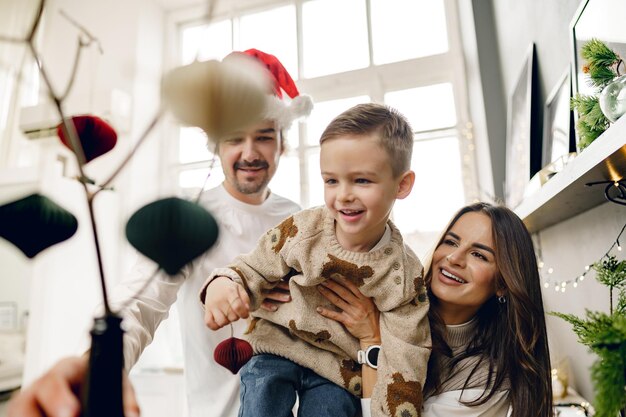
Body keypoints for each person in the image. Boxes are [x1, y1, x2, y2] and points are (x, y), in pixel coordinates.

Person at [7, 48, 312, 417]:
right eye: (234, 138)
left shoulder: (298, 220)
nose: (249, 152)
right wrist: (99, 365)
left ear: (283, 142)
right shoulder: (191, 216)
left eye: (264, 136)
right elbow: (141, 302)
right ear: (215, 144)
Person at [201, 103, 431, 417]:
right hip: (276, 345)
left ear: (401, 184)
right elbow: (252, 266)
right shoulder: (302, 230)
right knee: (262, 398)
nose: (343, 195)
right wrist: (224, 282)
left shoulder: (403, 274)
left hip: (338, 368)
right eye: (331, 181)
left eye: (361, 181)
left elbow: (407, 356)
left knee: (333, 411)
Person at [316, 202, 554, 417]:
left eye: (478, 254)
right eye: (451, 242)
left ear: (502, 283)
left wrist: (371, 343)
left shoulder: (485, 383)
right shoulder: (386, 301)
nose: (454, 258)